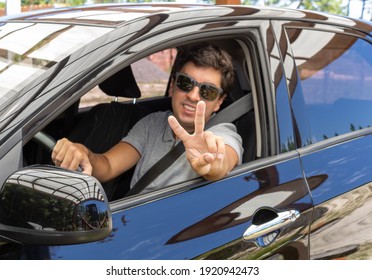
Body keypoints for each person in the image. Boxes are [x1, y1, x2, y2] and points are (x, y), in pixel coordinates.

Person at [52, 43, 243, 194]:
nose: (193, 96)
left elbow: (223, 160)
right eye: (185, 82)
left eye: (207, 91)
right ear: (173, 85)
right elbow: (108, 165)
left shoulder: (222, 133)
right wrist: (84, 154)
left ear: (219, 102)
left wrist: (212, 166)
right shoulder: (152, 123)